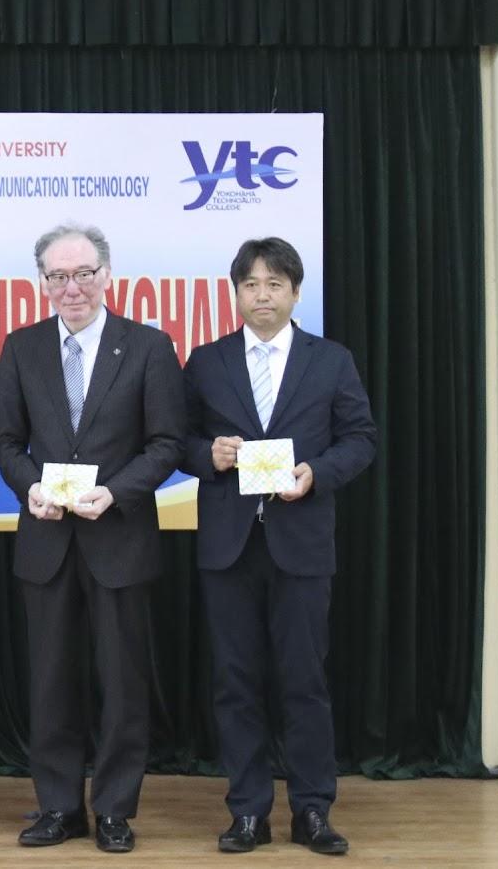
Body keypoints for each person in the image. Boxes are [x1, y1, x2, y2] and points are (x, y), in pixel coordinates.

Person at [0, 224, 184, 854]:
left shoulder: (149, 346)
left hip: (119, 538)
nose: (70, 287)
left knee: (123, 684)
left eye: (82, 274)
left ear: (106, 275)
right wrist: (30, 488)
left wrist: (116, 492)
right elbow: (7, 443)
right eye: (58, 276)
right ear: (41, 282)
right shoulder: (21, 347)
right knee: (51, 683)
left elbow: (165, 444)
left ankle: (114, 810)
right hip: (47, 541)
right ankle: (58, 807)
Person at [182, 238, 376, 856]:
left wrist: (317, 473)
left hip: (301, 543)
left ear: (295, 292)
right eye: (250, 285)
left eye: (274, 284)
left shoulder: (331, 361)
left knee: (304, 680)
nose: (261, 296)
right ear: (235, 293)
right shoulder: (207, 361)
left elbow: (361, 438)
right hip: (229, 547)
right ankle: (247, 811)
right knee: (235, 682)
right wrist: (206, 455)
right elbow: (176, 439)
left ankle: (313, 809)